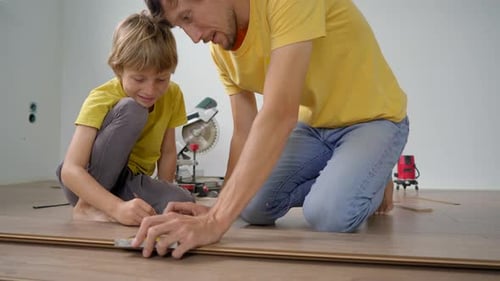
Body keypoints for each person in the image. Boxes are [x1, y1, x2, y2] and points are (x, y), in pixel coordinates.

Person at [133, 0, 409, 258]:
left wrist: (216, 222)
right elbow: (244, 130)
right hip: (314, 127)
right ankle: (352, 173)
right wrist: (218, 208)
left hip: (373, 118)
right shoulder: (221, 50)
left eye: (188, 17)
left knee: (329, 214)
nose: (194, 37)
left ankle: (374, 174)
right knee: (251, 208)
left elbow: (279, 113)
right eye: (183, 27)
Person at [56, 12, 194, 226]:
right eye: (139, 78)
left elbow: (167, 152)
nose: (150, 90)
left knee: (183, 203)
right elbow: (70, 170)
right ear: (119, 69)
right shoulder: (100, 98)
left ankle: (115, 205)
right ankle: (86, 207)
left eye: (161, 79)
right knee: (133, 109)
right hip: (87, 182)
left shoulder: (173, 95)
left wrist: (166, 190)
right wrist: (117, 208)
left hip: (129, 182)